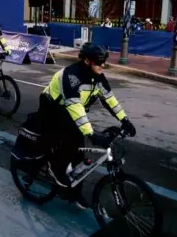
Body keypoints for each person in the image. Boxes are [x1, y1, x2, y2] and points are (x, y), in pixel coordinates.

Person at [39, 43, 136, 209]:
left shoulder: (97, 76)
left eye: (104, 62)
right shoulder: (70, 75)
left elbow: (109, 99)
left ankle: (74, 194)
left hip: (72, 112)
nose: (102, 66)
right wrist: (91, 134)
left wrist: (125, 120)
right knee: (71, 141)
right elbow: (74, 105)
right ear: (86, 61)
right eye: (99, 62)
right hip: (53, 109)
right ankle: (56, 169)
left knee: (79, 156)